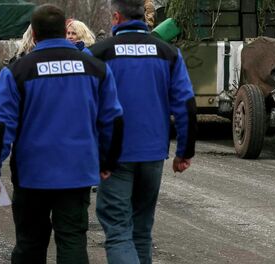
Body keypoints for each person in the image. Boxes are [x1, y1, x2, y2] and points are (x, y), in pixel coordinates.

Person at [0, 4, 124, 264]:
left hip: (32, 174)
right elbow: (112, 119)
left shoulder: (17, 72)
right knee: (72, 240)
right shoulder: (96, 69)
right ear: (65, 29)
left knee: (30, 242)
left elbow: (1, 125)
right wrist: (108, 161)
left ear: (33, 34)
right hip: (77, 172)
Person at [89, 0, 197, 263]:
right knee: (141, 230)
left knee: (117, 232)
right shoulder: (168, 53)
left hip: (113, 157)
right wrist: (184, 152)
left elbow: (82, 105)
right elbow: (186, 104)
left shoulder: (98, 53)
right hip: (152, 154)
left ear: (116, 17)